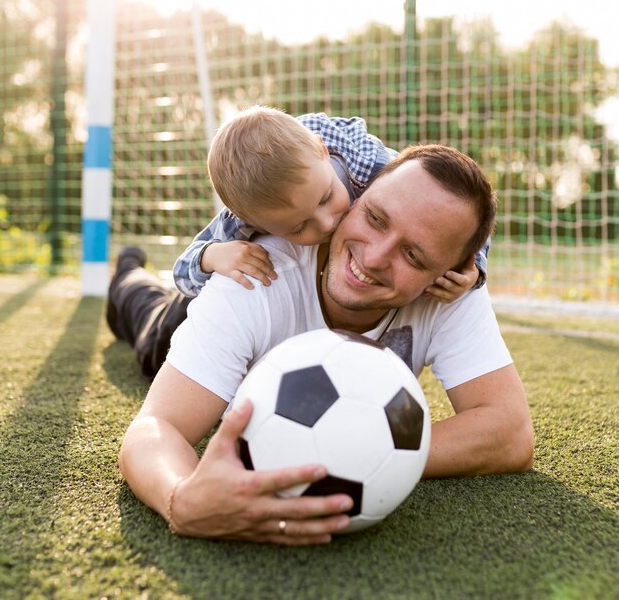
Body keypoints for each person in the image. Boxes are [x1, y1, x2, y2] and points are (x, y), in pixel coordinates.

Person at [115, 144, 534, 545]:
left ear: (451, 273)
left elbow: (510, 432)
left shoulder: (451, 296)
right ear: (358, 194)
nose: (372, 259)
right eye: (375, 218)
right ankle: (129, 272)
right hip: (179, 317)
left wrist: (376, 459)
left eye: (414, 256)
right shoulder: (253, 277)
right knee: (142, 312)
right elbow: (155, 428)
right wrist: (181, 500)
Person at [107, 106, 488, 379]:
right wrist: (212, 254)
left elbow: (454, 203)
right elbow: (183, 271)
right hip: (195, 308)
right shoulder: (241, 218)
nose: (325, 223)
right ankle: (127, 276)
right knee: (151, 335)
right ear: (254, 222)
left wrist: (475, 268)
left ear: (322, 149)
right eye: (297, 227)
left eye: (325, 199)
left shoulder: (367, 161)